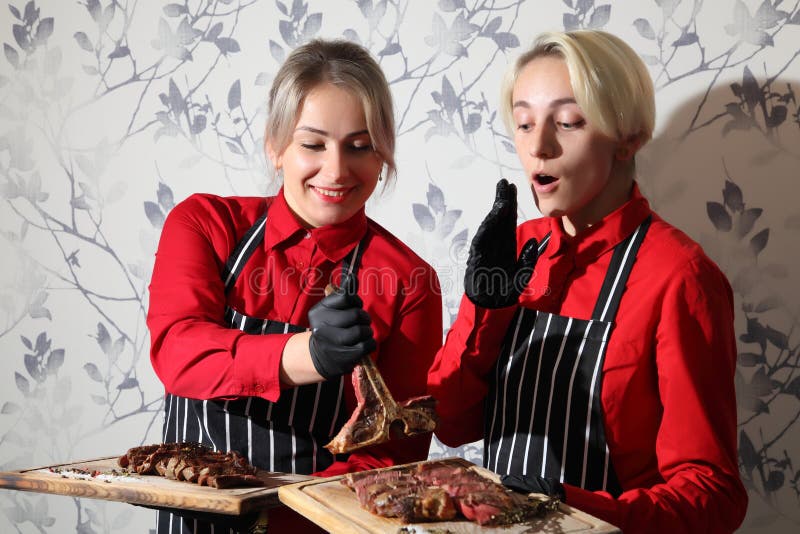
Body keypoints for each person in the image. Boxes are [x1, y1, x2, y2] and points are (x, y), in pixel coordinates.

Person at [427, 30, 747, 533]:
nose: (538, 146)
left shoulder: (679, 278)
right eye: (524, 122)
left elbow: (713, 495)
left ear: (630, 137)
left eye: (569, 122)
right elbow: (451, 424)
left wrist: (570, 506)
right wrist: (484, 309)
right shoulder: (514, 251)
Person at [147, 38, 442, 533]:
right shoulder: (205, 225)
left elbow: (394, 458)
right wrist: (312, 356)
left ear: (383, 154)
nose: (336, 170)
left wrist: (287, 520)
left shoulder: (409, 282)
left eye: (360, 146)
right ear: (276, 145)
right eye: (313, 144)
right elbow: (179, 354)